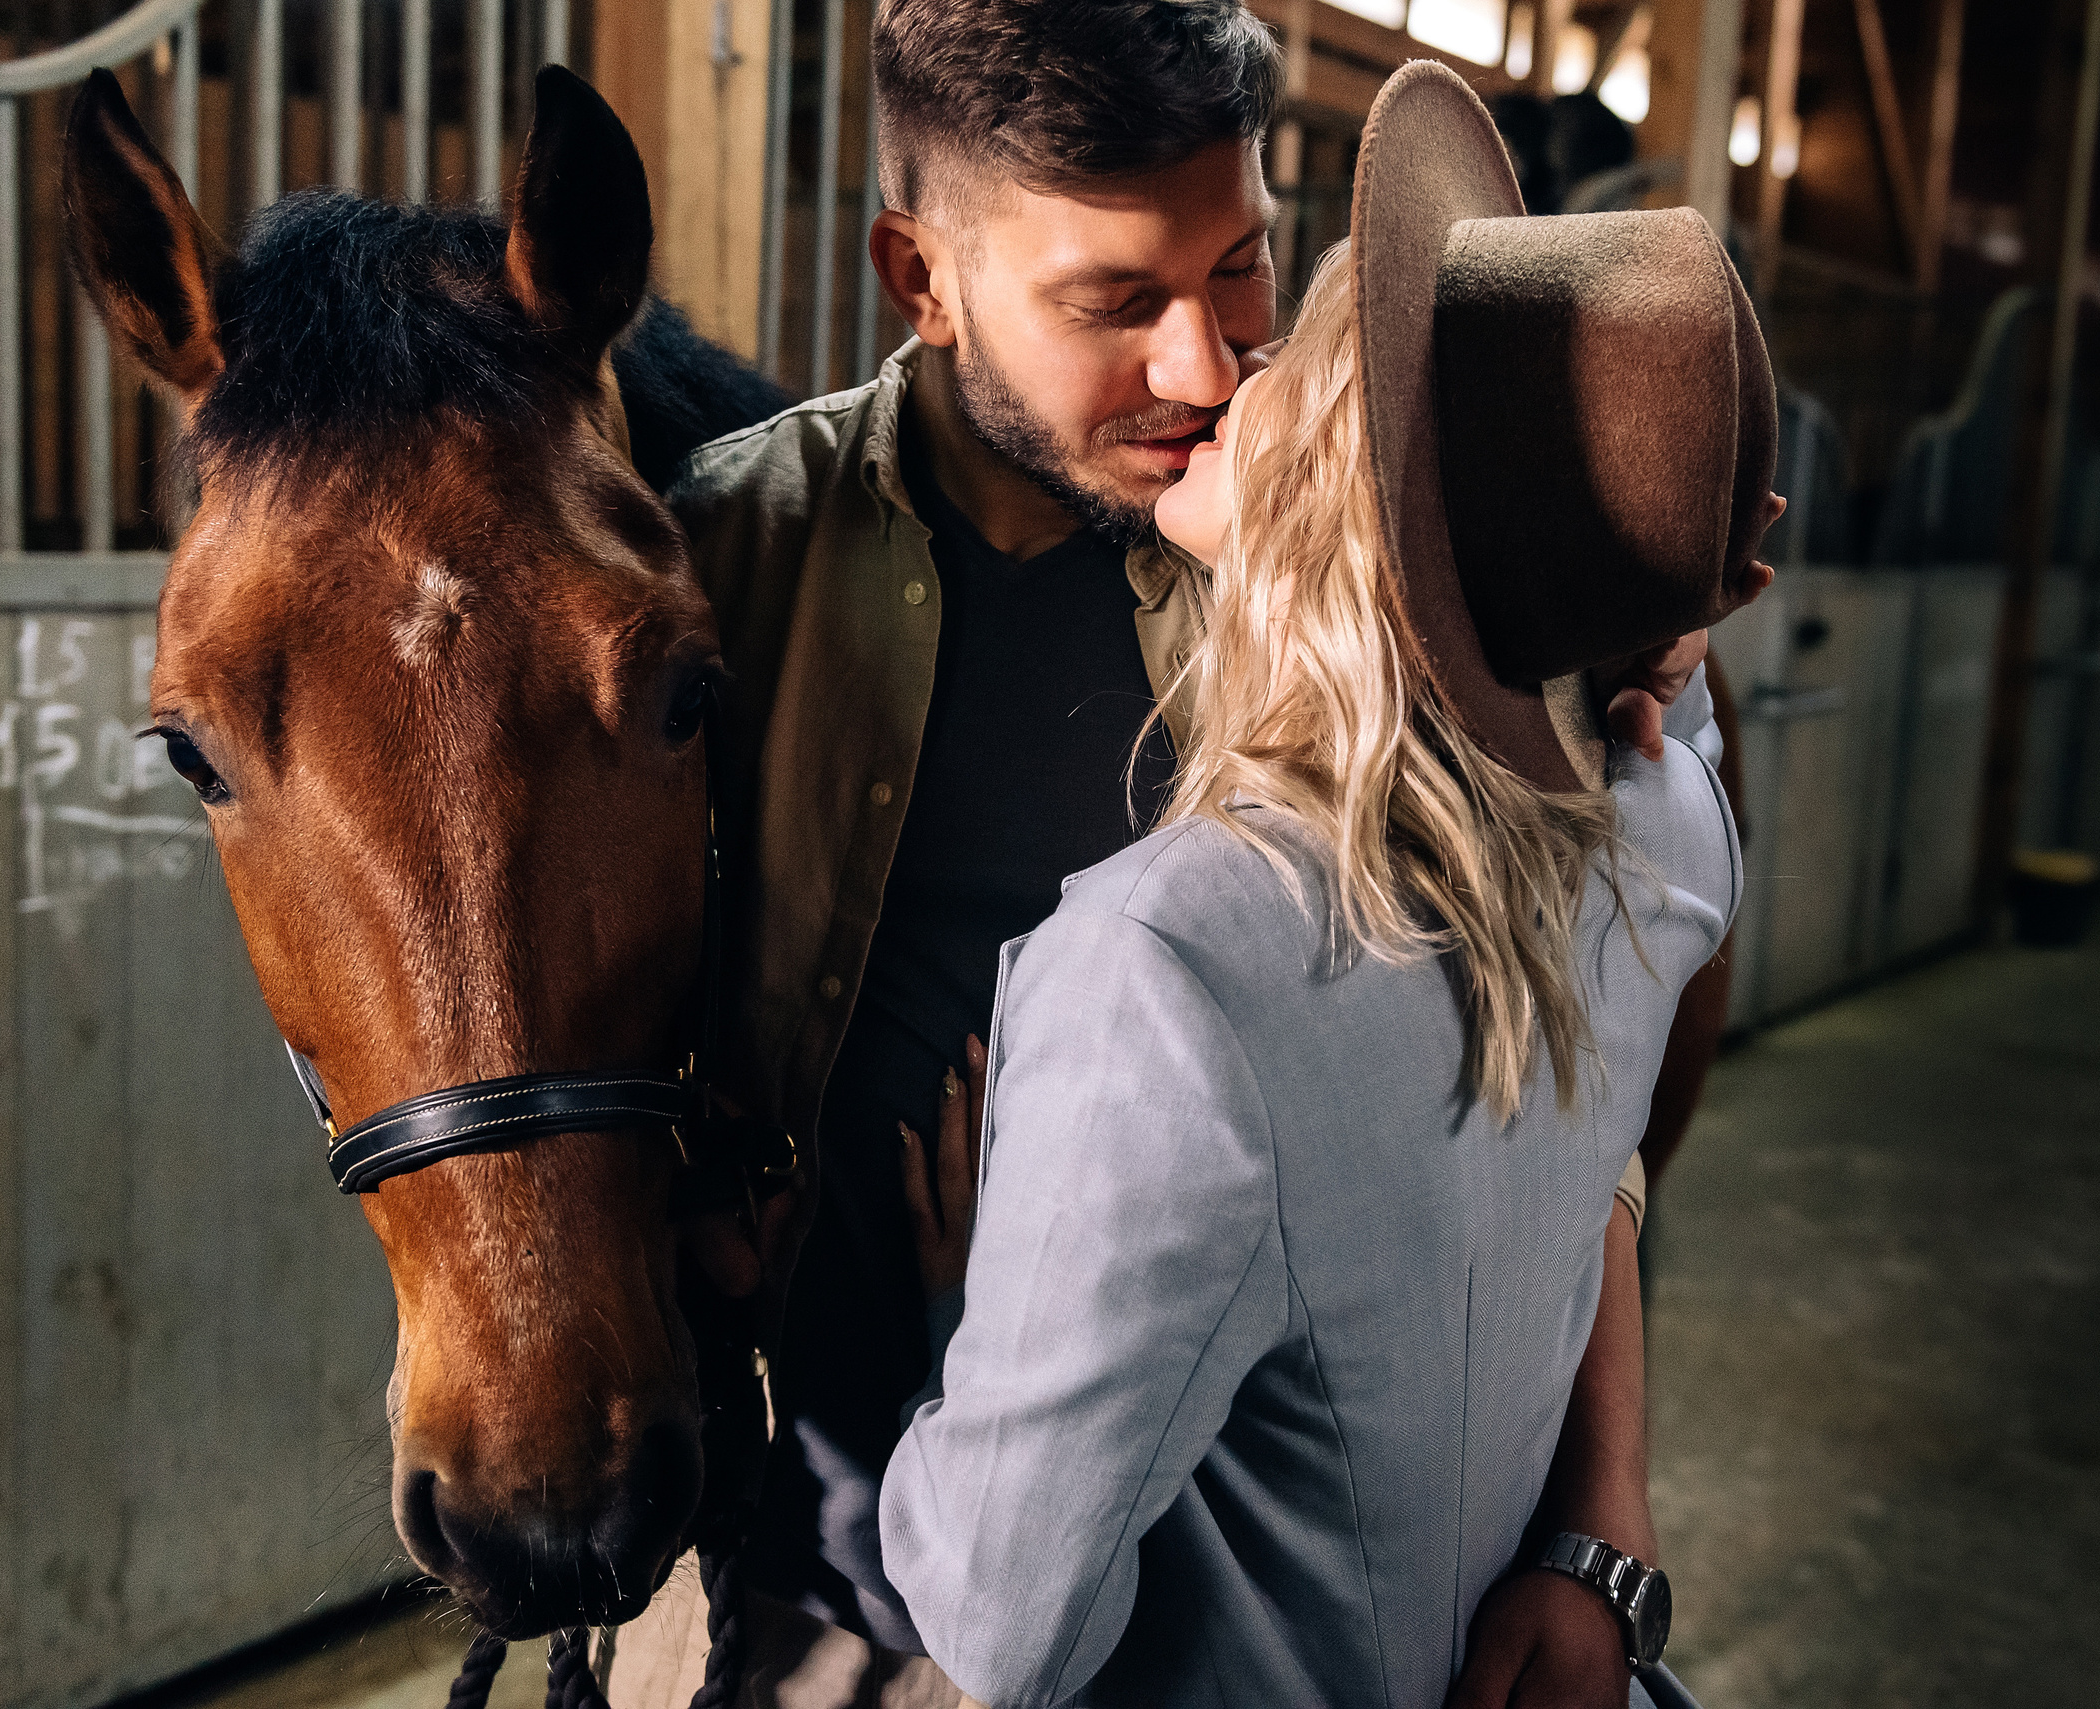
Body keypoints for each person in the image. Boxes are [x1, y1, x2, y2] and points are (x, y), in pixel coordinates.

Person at [637, 6, 1716, 1703]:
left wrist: (1600, 1515)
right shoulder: (716, 561)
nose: (1209, 367)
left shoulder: (1360, 562)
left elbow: (1556, 1105)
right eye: (1114, 302)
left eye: (1239, 269)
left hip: (1215, 1616)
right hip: (807, 1563)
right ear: (921, 277)